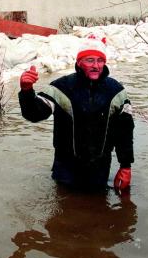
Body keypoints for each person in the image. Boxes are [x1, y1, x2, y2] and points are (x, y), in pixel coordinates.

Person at [18, 34, 134, 191]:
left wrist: (125, 166)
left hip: (99, 173)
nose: (96, 65)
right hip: (65, 172)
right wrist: (26, 91)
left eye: (100, 60)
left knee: (100, 210)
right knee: (63, 209)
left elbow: (125, 134)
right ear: (79, 62)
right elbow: (34, 114)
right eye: (90, 60)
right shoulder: (60, 87)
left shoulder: (116, 92)